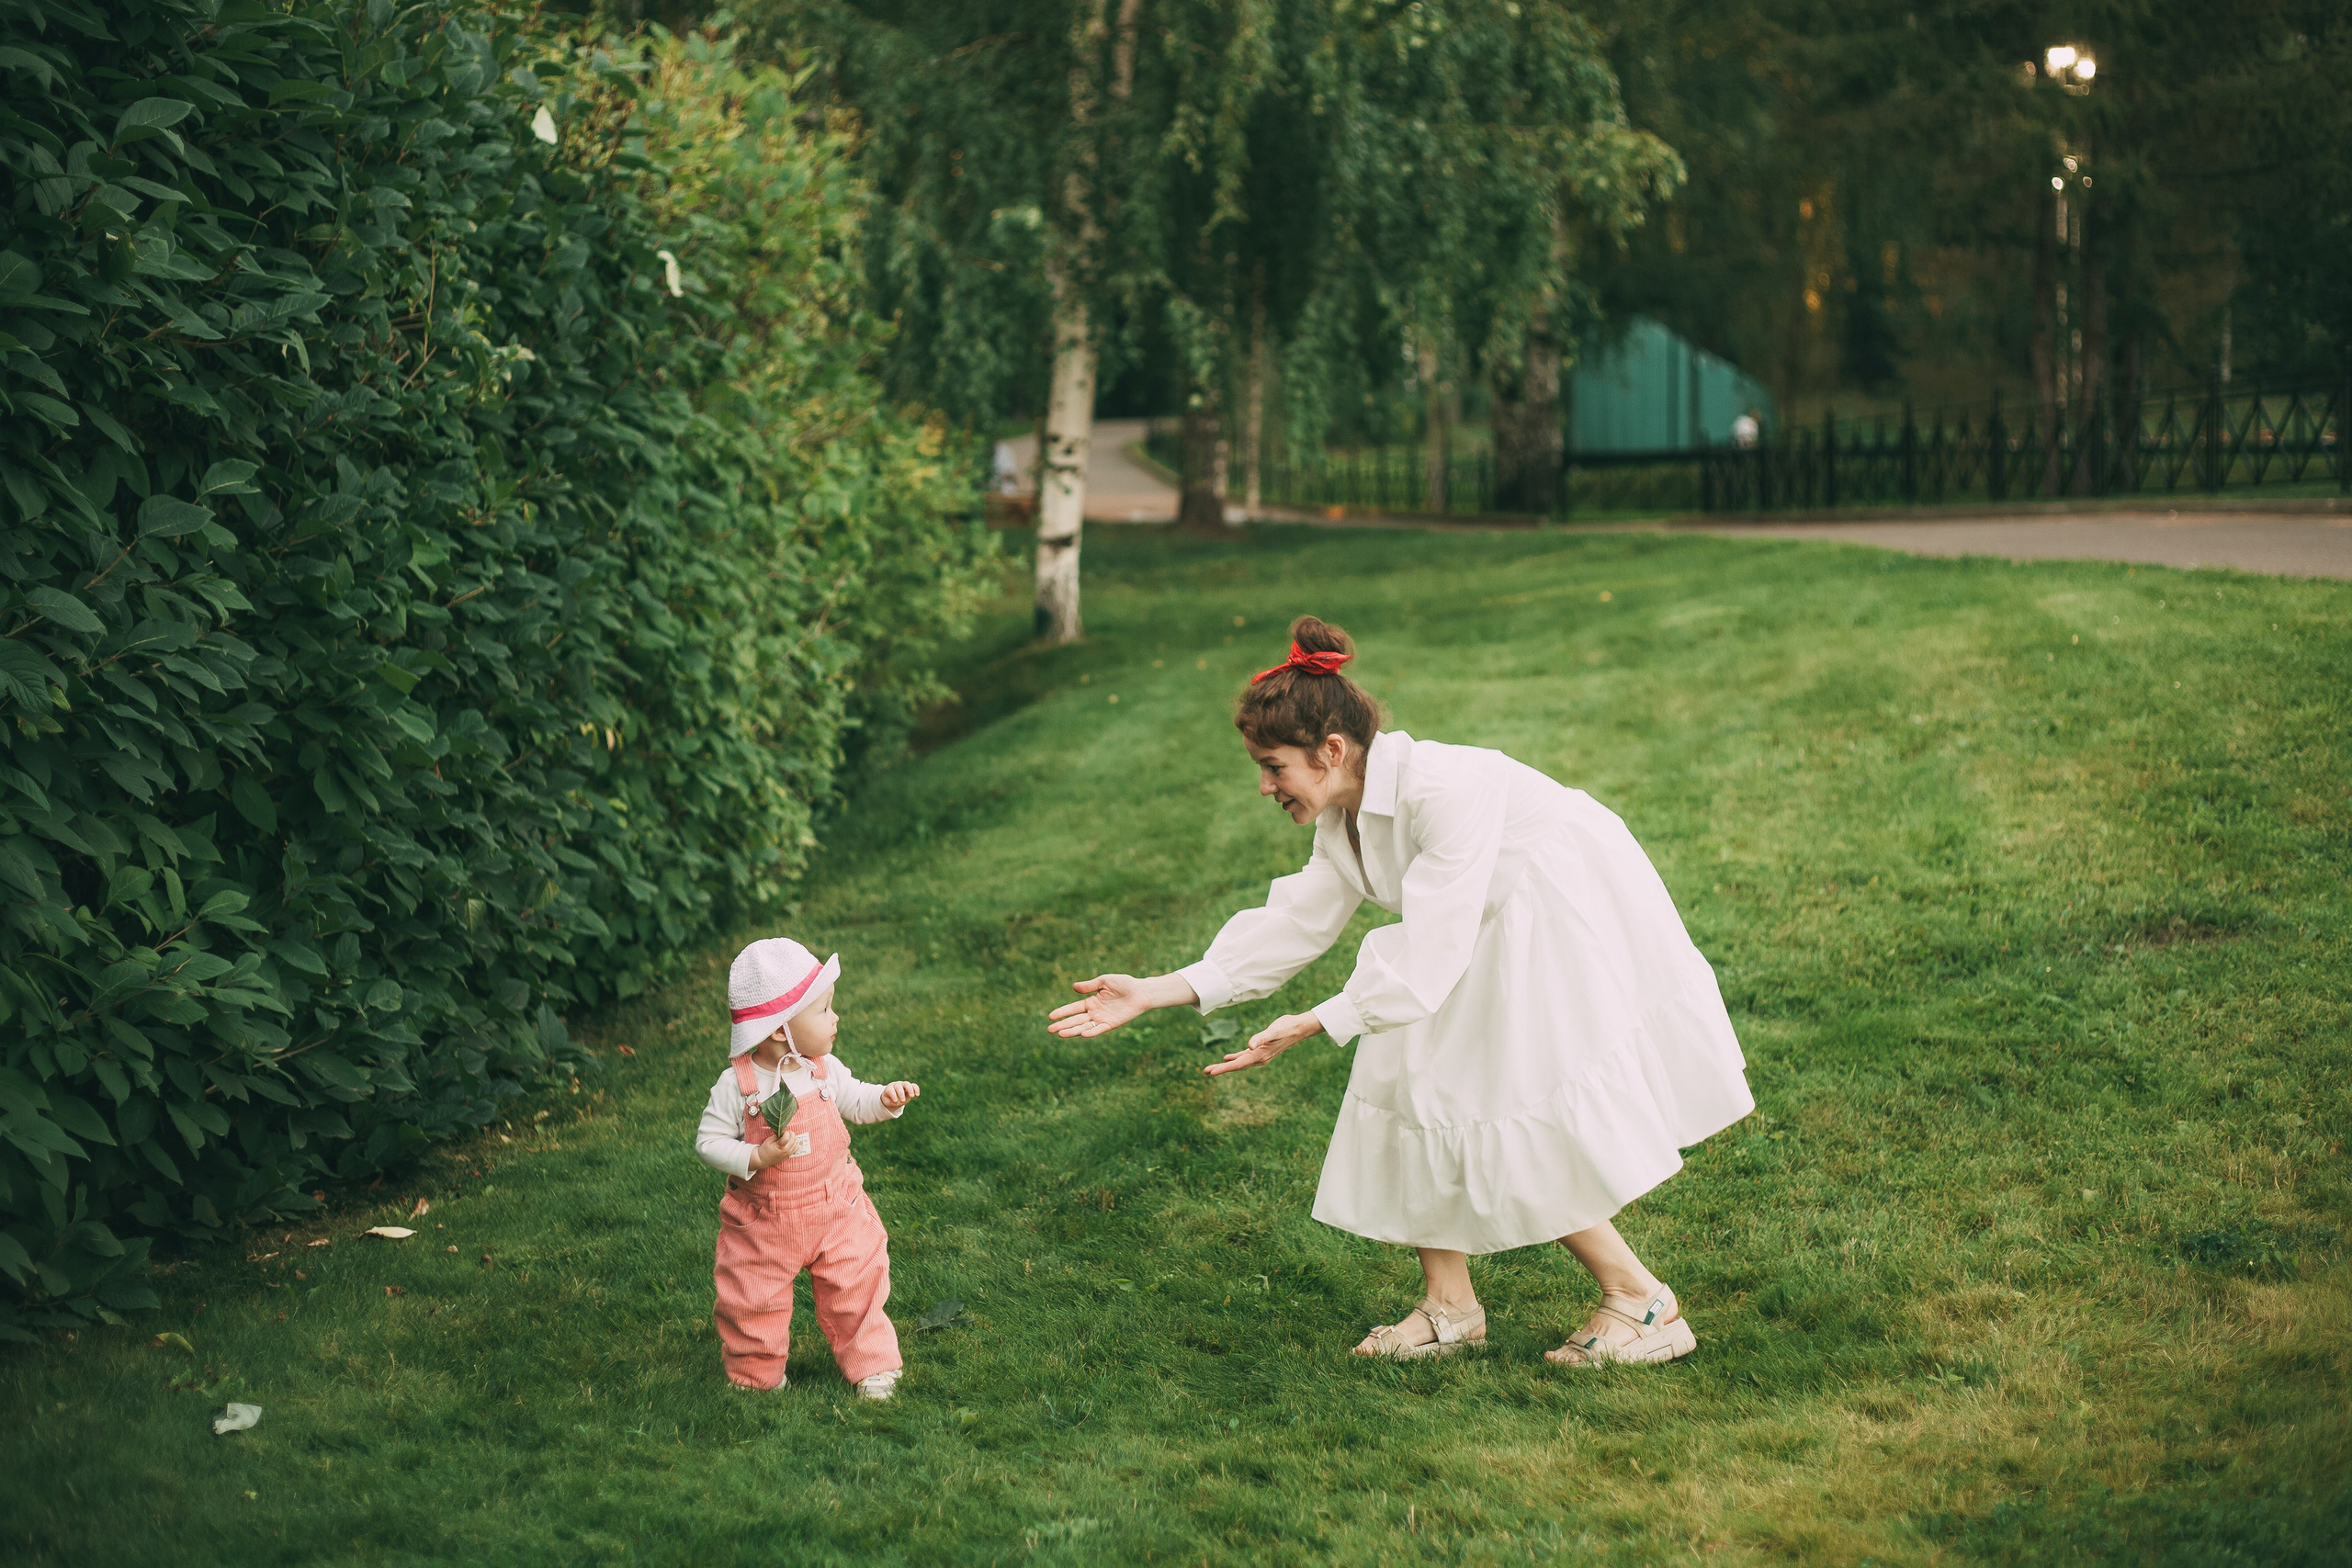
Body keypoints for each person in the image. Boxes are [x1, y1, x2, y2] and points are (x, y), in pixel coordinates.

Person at [1047, 616, 1753, 1365]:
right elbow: (1295, 922)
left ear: (1331, 750)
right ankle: (1451, 1305)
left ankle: (1642, 1300)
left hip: (1551, 906)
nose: (1264, 786)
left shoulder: (1443, 789)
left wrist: (1322, 1019)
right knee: (1412, 1078)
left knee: (1506, 1097)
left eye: (1273, 766)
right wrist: (1156, 990)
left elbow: (1434, 947)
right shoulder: (1343, 819)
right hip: (1470, 922)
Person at [697, 937, 921, 1398]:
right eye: (823, 1010)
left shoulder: (822, 1069)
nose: (835, 1018)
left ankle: (873, 1365)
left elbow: (855, 1099)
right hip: (764, 1221)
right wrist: (755, 1157)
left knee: (856, 1283)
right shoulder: (737, 1086)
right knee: (753, 1297)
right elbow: (709, 1142)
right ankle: (757, 1376)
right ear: (780, 1030)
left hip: (836, 1206)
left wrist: (884, 1099)